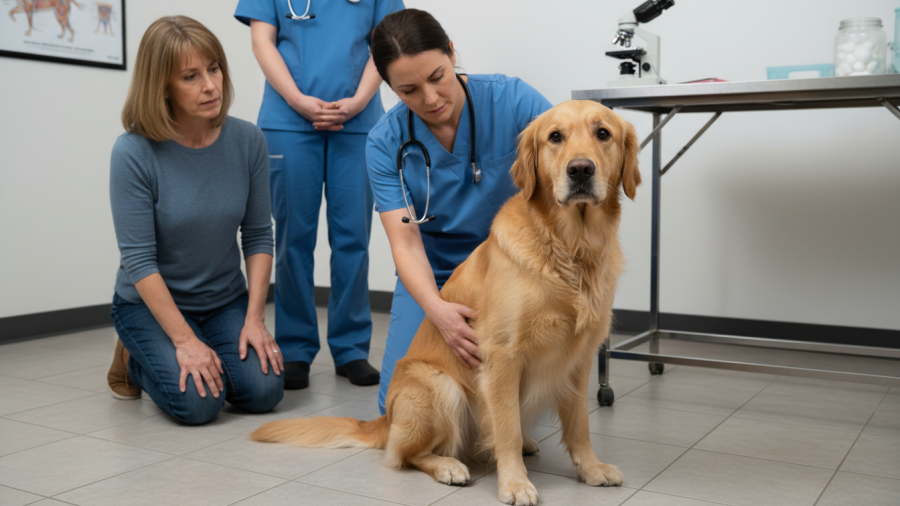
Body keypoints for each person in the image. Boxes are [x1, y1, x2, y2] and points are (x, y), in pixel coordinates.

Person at [366, 9, 553, 414]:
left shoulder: (513, 100)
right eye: (409, 90)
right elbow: (405, 243)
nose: (431, 100)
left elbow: (564, 163)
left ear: (452, 53)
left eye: (437, 77)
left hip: (514, 264)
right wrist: (438, 312)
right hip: (434, 272)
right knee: (398, 409)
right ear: (390, 88)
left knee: (504, 376)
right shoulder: (385, 143)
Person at [107, 15, 283, 425]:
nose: (210, 85)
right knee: (199, 404)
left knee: (263, 392)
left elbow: (258, 234)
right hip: (147, 305)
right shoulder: (133, 152)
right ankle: (132, 358)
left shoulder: (248, 141)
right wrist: (184, 340)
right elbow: (139, 260)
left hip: (223, 298)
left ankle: (200, 340)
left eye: (214, 68)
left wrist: (255, 318)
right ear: (161, 86)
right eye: (190, 76)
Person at [234, 0, 405, 390]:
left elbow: (387, 42)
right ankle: (294, 349)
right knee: (293, 240)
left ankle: (350, 350)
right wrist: (297, 100)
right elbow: (262, 41)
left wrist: (360, 101)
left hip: (358, 119)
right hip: (289, 120)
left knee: (353, 239)